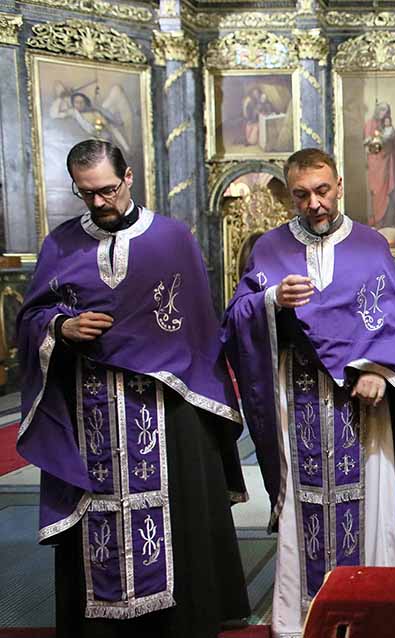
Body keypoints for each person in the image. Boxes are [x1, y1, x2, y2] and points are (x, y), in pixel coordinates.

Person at [16, 140, 248, 636]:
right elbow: (31, 316)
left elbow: (198, 329)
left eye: (106, 190)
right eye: (86, 194)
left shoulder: (173, 238)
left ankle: (178, 622)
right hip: (90, 407)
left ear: (128, 179)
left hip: (166, 408)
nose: (99, 203)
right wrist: (61, 327)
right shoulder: (60, 244)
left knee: (177, 522)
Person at [221, 148, 395, 637]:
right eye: (301, 195)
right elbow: (235, 318)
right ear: (289, 194)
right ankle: (303, 616)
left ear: (338, 184)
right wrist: (271, 300)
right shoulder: (270, 248)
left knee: (369, 500)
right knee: (304, 503)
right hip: (298, 400)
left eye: (322, 191)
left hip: (362, 404)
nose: (314, 203)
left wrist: (380, 368)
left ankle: (376, 606)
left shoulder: (370, 244)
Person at [364, 102, 395, 229]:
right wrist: (379, 139)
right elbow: (368, 144)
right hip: (376, 164)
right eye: (381, 110)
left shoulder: (388, 126)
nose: (383, 113)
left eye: (386, 110)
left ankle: (388, 221)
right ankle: (377, 220)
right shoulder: (370, 124)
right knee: (377, 191)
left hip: (388, 165)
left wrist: (391, 136)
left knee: (390, 191)